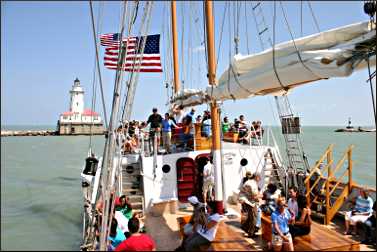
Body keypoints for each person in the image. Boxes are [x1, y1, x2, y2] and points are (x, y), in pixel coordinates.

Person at [239, 172, 260, 237]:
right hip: (249, 201)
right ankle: (251, 233)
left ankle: (245, 227)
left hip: (245, 200)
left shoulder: (249, 181)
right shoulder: (252, 184)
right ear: (257, 177)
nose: (260, 179)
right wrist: (261, 196)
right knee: (254, 217)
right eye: (259, 178)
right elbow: (255, 195)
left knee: (250, 216)